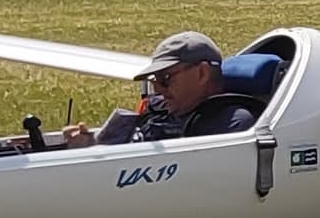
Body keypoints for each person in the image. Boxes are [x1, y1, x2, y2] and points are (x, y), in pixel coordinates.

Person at [24, 31, 261, 149]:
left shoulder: (232, 125)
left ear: (201, 74)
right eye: (154, 80)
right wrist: (90, 146)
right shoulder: (157, 110)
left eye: (165, 78)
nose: (158, 89)